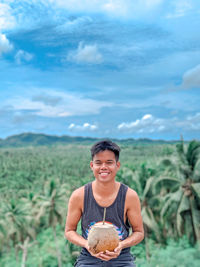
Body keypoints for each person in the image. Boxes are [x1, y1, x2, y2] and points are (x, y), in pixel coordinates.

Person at [65, 140, 144, 266]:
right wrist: (87, 244)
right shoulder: (79, 195)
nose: (103, 167)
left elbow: (139, 232)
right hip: (89, 258)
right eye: (98, 163)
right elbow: (69, 231)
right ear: (92, 166)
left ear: (117, 165)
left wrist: (121, 245)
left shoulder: (129, 196)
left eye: (109, 162)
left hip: (121, 258)